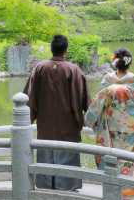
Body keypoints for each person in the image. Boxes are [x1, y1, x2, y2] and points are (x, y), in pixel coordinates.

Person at [23, 33, 89, 191]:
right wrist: (91, 120)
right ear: (66, 50)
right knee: (66, 155)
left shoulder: (39, 68)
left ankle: (46, 187)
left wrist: (29, 118)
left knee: (46, 154)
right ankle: (66, 189)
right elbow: (85, 99)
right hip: (67, 126)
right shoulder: (74, 70)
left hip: (45, 125)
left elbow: (28, 97)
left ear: (51, 49)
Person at [85, 48, 134, 200]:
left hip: (111, 126)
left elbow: (98, 103)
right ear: (129, 62)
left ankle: (112, 190)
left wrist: (89, 120)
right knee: (130, 157)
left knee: (111, 155)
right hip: (131, 127)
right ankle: (128, 194)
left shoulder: (107, 80)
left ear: (115, 62)